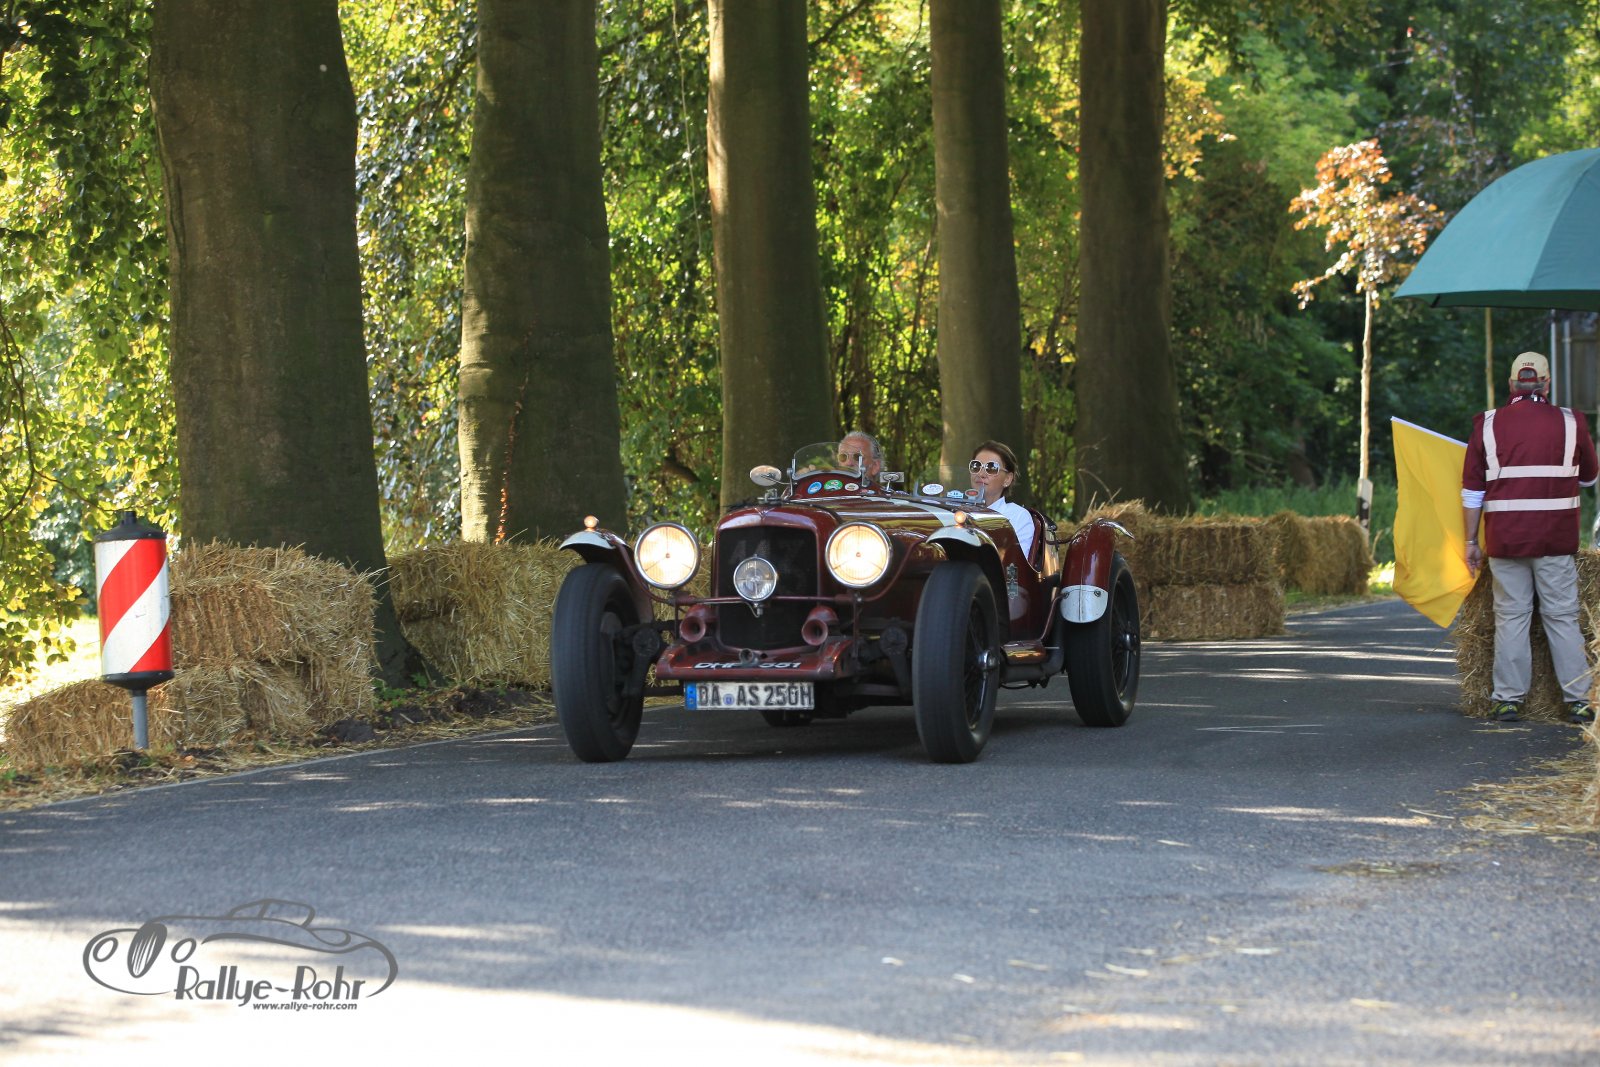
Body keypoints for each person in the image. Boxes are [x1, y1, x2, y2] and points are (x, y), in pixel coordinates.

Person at [1462, 351, 1599, 724]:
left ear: (1511, 384)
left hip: (1506, 541)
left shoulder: (1487, 424)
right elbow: (1589, 478)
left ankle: (1507, 700)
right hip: (1555, 540)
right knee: (1562, 618)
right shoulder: (1572, 422)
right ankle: (1578, 701)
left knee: (1511, 618)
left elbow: (1472, 493)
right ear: (1546, 383)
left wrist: (1471, 542)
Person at [969, 440, 1035, 560]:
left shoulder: (1018, 516)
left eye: (991, 468)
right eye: (976, 466)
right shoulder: (956, 510)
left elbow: (1016, 564)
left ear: (1007, 479)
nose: (981, 474)